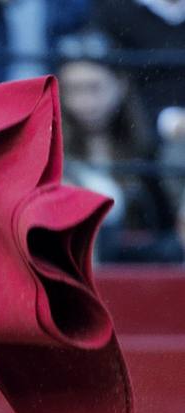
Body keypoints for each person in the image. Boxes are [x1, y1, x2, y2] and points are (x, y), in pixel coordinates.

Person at [56, 32, 184, 262]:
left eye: (94, 88)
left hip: (142, 277)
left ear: (121, 84)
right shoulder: (53, 156)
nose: (85, 102)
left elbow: (166, 230)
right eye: (73, 90)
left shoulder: (149, 153)